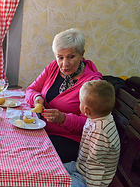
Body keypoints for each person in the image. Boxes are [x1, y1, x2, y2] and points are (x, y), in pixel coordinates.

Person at [4, 80, 120, 187]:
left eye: (79, 102)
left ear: (85, 109)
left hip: (92, 180)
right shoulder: (100, 118)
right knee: (45, 174)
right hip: (82, 166)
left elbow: (95, 165)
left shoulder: (101, 134)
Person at [25, 28, 102, 163]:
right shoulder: (53, 67)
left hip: (69, 140)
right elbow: (31, 90)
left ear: (81, 54)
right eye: (60, 57)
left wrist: (63, 119)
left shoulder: (92, 84)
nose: (64, 64)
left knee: (30, 159)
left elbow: (90, 125)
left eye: (71, 57)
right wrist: (37, 98)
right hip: (42, 131)